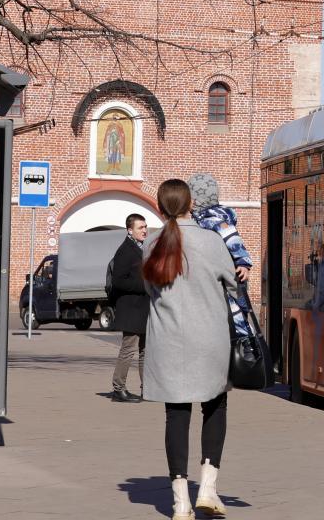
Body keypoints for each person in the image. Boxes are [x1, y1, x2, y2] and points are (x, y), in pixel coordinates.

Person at [143, 179, 237, 519]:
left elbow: (148, 288)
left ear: (159, 207)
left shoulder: (151, 243)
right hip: (209, 338)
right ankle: (208, 488)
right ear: (191, 204)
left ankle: (180, 501)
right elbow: (233, 282)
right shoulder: (211, 241)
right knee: (215, 406)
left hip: (168, 341)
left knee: (176, 415)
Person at [187, 173, 253, 337]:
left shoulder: (213, 219)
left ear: (196, 199)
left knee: (235, 312)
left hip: (228, 274)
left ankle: (246, 341)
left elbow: (232, 239)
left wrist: (243, 262)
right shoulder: (201, 218)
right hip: (223, 273)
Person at [108, 214, 148, 403]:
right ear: (130, 230)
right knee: (128, 349)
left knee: (145, 350)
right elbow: (119, 281)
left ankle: (147, 388)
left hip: (143, 308)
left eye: (145, 227)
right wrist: (145, 285)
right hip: (131, 308)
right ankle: (118, 389)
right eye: (140, 228)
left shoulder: (142, 248)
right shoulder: (125, 250)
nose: (145, 231)